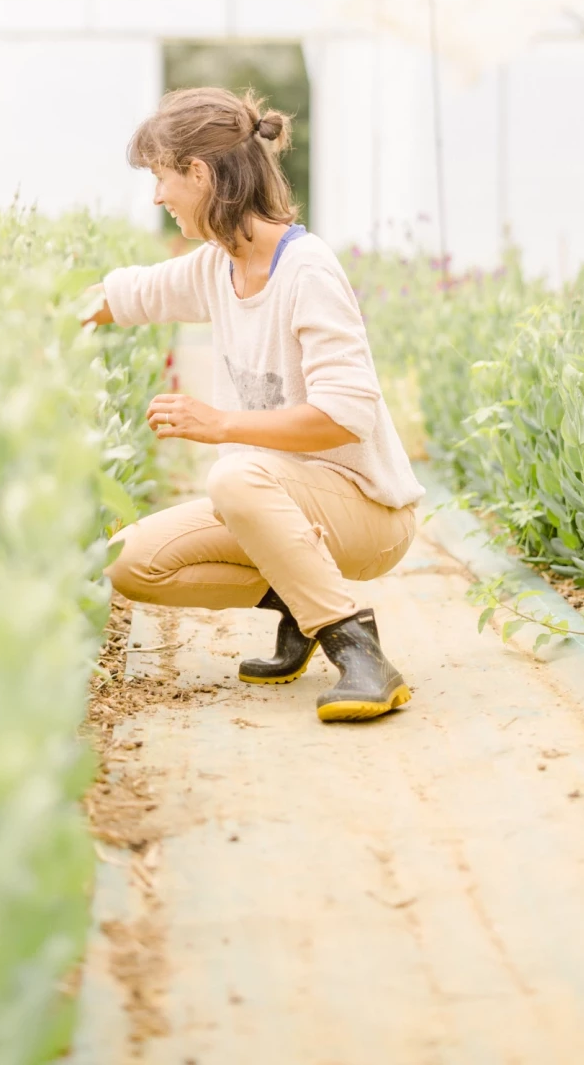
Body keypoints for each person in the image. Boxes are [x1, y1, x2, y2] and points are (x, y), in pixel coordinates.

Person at [85, 85, 425, 723]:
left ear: (200, 173)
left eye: (162, 178)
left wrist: (220, 425)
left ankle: (359, 651)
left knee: (235, 472)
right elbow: (127, 295)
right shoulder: (217, 266)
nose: (158, 197)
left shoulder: (307, 271)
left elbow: (343, 415)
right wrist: (39, 318)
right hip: (275, 502)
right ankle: (304, 601)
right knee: (128, 561)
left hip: (367, 511)